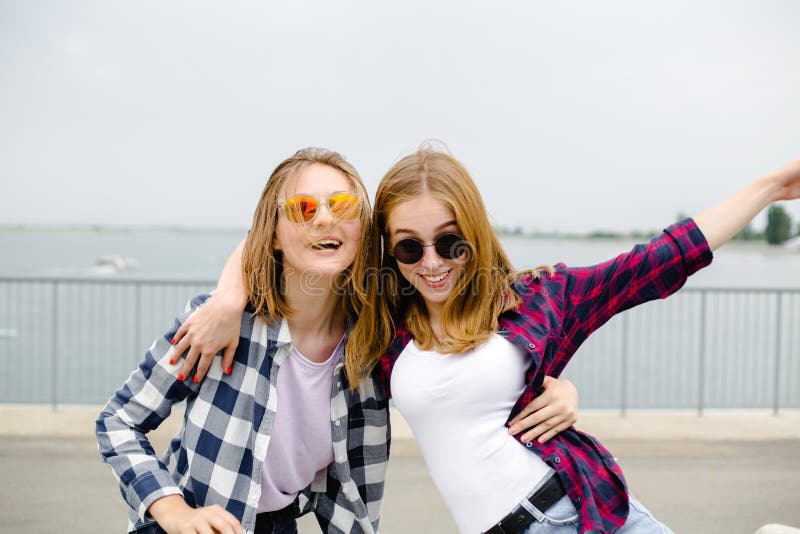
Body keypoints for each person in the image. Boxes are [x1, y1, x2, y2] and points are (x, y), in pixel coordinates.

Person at [96, 147, 579, 534]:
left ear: (362, 231)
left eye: (342, 205)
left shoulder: (378, 345)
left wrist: (553, 385)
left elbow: (474, 365)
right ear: (276, 235)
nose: (325, 219)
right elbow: (118, 421)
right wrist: (174, 512)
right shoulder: (223, 326)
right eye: (303, 209)